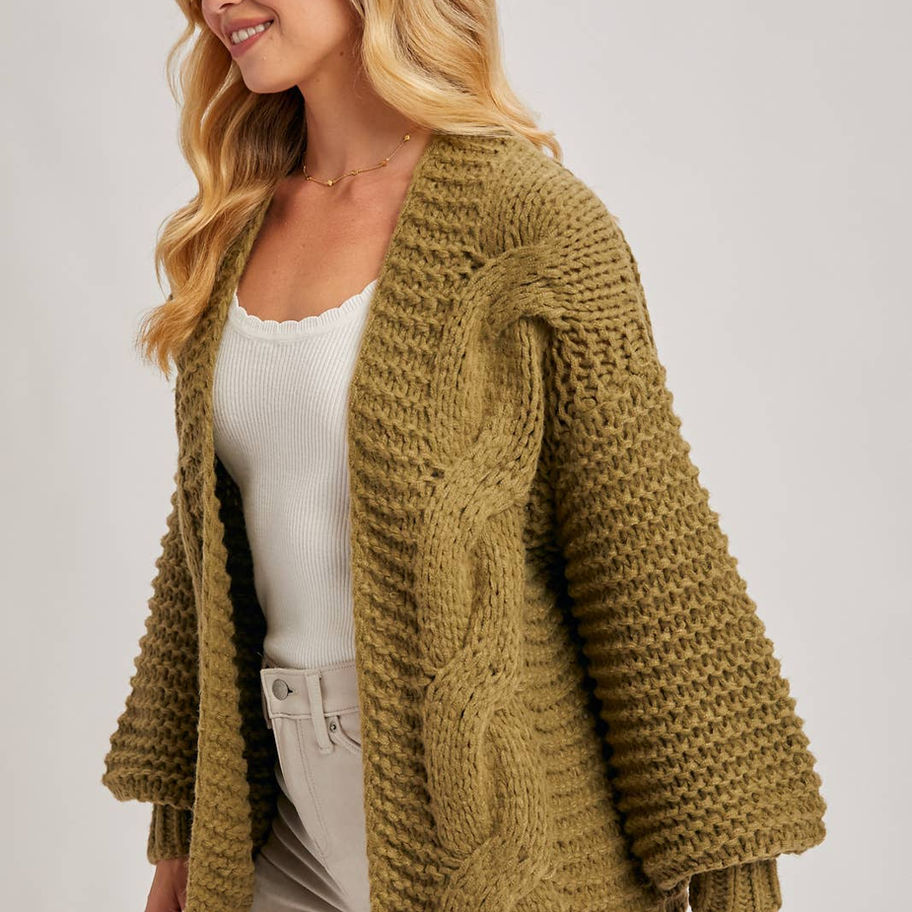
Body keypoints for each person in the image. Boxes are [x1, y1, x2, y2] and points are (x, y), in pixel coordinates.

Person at [101, 2, 828, 912]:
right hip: (272, 825)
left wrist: (735, 885)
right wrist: (180, 833)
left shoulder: (530, 224)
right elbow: (206, 556)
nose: (218, 4)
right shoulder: (239, 220)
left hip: (480, 820)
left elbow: (651, 568)